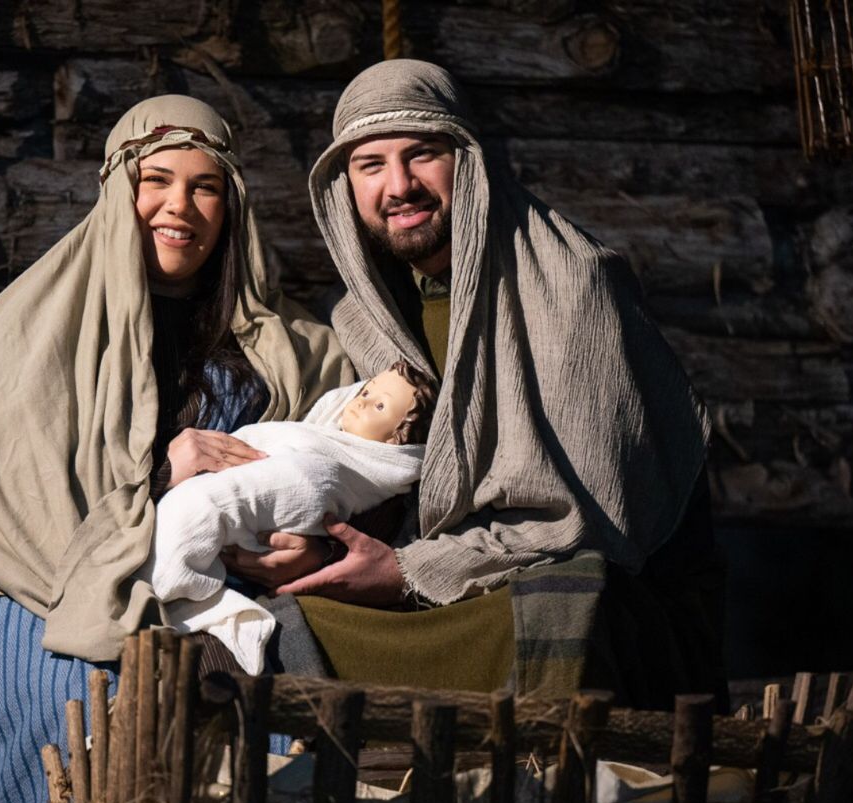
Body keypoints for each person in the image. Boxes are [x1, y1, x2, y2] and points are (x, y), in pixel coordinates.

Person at [0, 95, 351, 803]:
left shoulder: (282, 344)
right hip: (18, 585)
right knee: (81, 701)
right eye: (158, 180)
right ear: (118, 190)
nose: (181, 207)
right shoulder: (34, 327)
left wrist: (309, 539)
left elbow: (336, 460)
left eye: (207, 187)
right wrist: (161, 480)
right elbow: (12, 507)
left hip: (213, 584)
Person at [231, 60, 724, 703]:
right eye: (370, 165)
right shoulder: (359, 319)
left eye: (423, 154)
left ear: (468, 158)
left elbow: (600, 523)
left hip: (583, 592)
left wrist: (410, 571)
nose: (399, 186)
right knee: (279, 629)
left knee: (567, 608)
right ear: (343, 185)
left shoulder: (574, 285)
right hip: (440, 587)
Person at [152, 361, 436, 674]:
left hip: (250, 562)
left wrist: (327, 551)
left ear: (394, 441)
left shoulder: (362, 476)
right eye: (366, 391)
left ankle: (170, 576)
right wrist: (162, 472)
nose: (362, 400)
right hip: (154, 515)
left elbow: (311, 489)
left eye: (379, 405)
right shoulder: (317, 426)